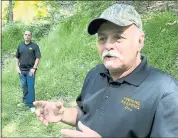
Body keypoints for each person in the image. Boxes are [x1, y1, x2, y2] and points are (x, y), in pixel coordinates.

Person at [34, 4, 178, 137]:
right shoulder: (96, 73)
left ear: (140, 41)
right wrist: (63, 113)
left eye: (118, 37)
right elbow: (85, 113)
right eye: (102, 38)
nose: (108, 45)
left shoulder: (165, 93)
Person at [16, 30, 41, 113]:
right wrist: (17, 67)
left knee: (30, 87)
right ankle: (24, 101)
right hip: (21, 71)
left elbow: (38, 58)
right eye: (25, 34)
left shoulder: (34, 46)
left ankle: (31, 105)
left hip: (30, 71)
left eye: (29, 35)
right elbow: (17, 58)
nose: (27, 36)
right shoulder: (20, 46)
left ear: (31, 36)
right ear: (23, 36)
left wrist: (34, 68)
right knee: (24, 86)